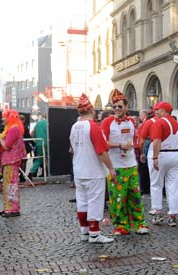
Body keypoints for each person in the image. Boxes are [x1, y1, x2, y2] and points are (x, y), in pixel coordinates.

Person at [70, 94, 116, 244]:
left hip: (79, 170)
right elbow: (102, 151)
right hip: (93, 171)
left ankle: (84, 232)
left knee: (82, 202)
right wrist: (111, 168)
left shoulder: (74, 126)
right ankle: (95, 234)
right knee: (95, 202)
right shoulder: (93, 126)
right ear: (91, 110)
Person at [101, 89, 148, 235]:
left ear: (126, 107)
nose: (116, 109)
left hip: (131, 164)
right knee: (117, 197)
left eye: (119, 106)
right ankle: (121, 226)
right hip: (116, 166)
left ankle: (139, 223)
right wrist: (119, 146)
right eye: (114, 107)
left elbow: (136, 139)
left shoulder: (132, 121)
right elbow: (102, 143)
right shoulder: (108, 122)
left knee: (135, 195)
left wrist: (137, 150)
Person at [148, 101, 178, 227]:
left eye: (157, 110)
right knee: (173, 186)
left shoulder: (160, 122)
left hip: (163, 154)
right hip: (177, 155)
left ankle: (158, 212)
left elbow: (157, 140)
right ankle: (172, 215)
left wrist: (155, 157)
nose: (156, 112)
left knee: (156, 184)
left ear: (164, 111)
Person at [0, 109, 26, 217]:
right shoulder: (13, 128)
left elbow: (6, 146)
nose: (2, 119)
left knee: (10, 184)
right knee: (9, 184)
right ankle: (10, 208)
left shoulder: (13, 129)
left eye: (4, 116)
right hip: (11, 160)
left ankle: (12, 209)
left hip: (11, 160)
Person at [28, 113, 48, 179]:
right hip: (48, 144)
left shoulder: (38, 123)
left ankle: (31, 172)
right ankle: (47, 172)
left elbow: (31, 134)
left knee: (38, 159)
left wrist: (36, 141)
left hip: (39, 143)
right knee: (48, 158)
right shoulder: (49, 123)